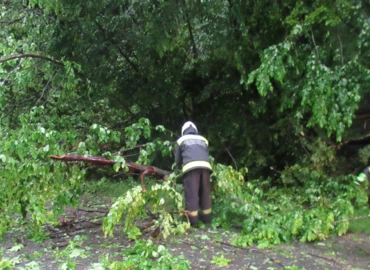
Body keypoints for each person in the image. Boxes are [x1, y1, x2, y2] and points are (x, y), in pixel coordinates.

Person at [175, 121, 212, 227]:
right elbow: (206, 154)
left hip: (190, 168)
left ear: (183, 131)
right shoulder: (203, 139)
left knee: (192, 194)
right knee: (205, 193)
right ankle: (207, 220)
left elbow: (178, 160)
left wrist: (178, 169)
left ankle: (193, 222)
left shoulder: (181, 140)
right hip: (206, 167)